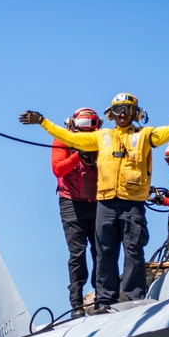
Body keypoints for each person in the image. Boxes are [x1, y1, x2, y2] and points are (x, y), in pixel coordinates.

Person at [21, 94, 169, 310]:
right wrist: (42, 122)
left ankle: (134, 298)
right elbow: (68, 139)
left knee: (133, 250)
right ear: (111, 115)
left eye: (127, 109)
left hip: (132, 203)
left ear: (135, 113)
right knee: (105, 251)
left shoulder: (145, 135)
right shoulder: (101, 137)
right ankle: (105, 300)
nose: (122, 113)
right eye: (118, 110)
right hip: (104, 203)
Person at [51, 107, 101, 316]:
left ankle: (103, 297)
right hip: (71, 202)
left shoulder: (102, 142)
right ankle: (77, 304)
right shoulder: (62, 140)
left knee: (101, 251)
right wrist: (78, 156)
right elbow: (58, 169)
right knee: (77, 253)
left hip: (98, 202)